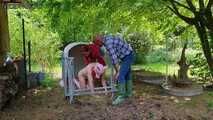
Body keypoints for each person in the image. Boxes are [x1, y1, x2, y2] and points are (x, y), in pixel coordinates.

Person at [93, 34, 135, 105]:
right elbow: (114, 58)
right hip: (127, 54)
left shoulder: (108, 43)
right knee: (127, 74)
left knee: (121, 75)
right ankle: (129, 94)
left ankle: (121, 96)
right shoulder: (107, 38)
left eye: (97, 44)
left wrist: (118, 72)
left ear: (99, 41)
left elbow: (114, 59)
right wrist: (117, 70)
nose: (98, 46)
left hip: (128, 56)